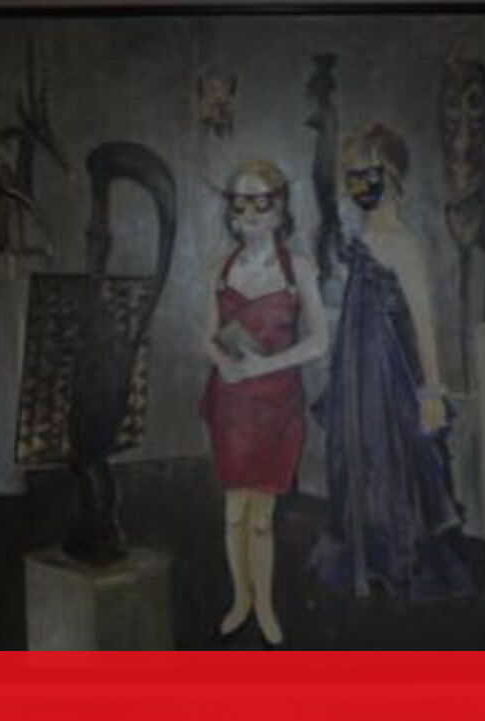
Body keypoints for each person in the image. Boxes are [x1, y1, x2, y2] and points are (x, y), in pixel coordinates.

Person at [310, 123, 473, 600]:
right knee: (356, 461)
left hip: (390, 375)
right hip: (356, 374)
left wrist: (432, 392)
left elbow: (423, 321)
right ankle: (367, 559)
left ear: (394, 177)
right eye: (352, 176)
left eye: (369, 173)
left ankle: (398, 560)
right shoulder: (363, 237)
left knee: (392, 464)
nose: (358, 185)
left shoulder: (404, 243)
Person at [200, 159, 328, 648]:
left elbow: (319, 341)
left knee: (261, 519)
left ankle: (266, 607)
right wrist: (224, 362)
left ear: (279, 210)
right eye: (240, 204)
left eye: (260, 202)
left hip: (277, 406)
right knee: (234, 512)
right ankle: (240, 600)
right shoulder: (220, 268)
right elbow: (205, 335)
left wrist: (265, 366)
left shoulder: (299, 268)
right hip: (231, 405)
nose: (249, 214)